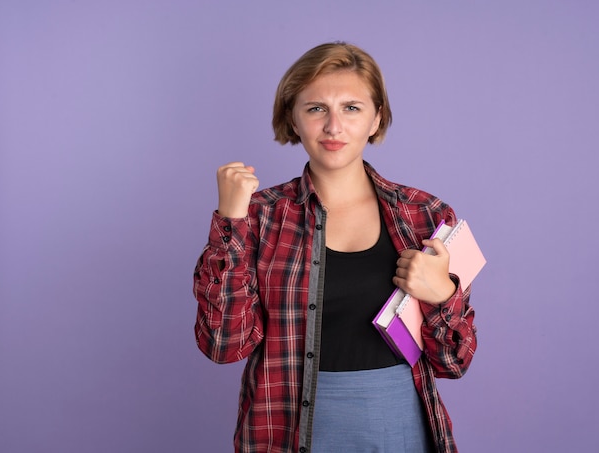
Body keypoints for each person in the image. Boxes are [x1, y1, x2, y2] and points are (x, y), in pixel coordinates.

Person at [193, 42, 477, 453]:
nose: (333, 127)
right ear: (292, 117)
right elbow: (224, 344)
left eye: (351, 108)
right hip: (285, 428)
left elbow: (454, 362)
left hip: (397, 425)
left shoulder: (425, 215)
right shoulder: (260, 216)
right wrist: (230, 221)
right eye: (315, 108)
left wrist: (443, 294)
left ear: (376, 118)